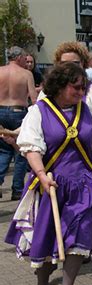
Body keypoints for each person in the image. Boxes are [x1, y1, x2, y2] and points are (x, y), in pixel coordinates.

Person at [4, 62, 92, 285]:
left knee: (80, 237)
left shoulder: (86, 111)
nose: (81, 92)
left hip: (84, 187)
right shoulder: (38, 111)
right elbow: (31, 147)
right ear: (59, 85)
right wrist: (42, 176)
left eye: (84, 87)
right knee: (47, 237)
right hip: (51, 187)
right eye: (75, 87)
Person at [0, 46, 37, 201]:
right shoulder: (26, 74)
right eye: (24, 58)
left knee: (2, 151)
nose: (25, 61)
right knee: (21, 152)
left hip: (1, 111)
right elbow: (34, 99)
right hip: (18, 112)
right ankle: (17, 189)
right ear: (19, 57)